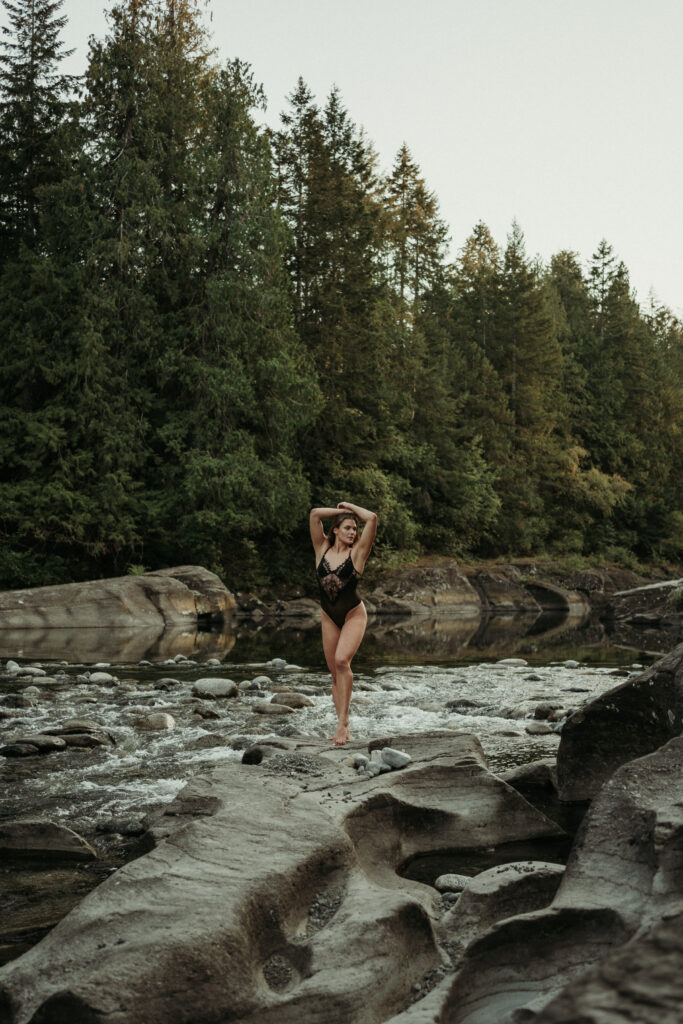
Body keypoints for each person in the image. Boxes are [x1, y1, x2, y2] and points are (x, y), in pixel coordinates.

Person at [309, 501, 377, 746]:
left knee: (341, 661)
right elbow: (315, 514)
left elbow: (372, 518)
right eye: (347, 528)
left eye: (354, 530)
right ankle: (342, 726)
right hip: (329, 616)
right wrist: (341, 512)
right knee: (334, 675)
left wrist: (350, 507)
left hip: (352, 615)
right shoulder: (321, 549)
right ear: (335, 529)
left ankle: (343, 723)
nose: (352, 532)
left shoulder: (357, 553)